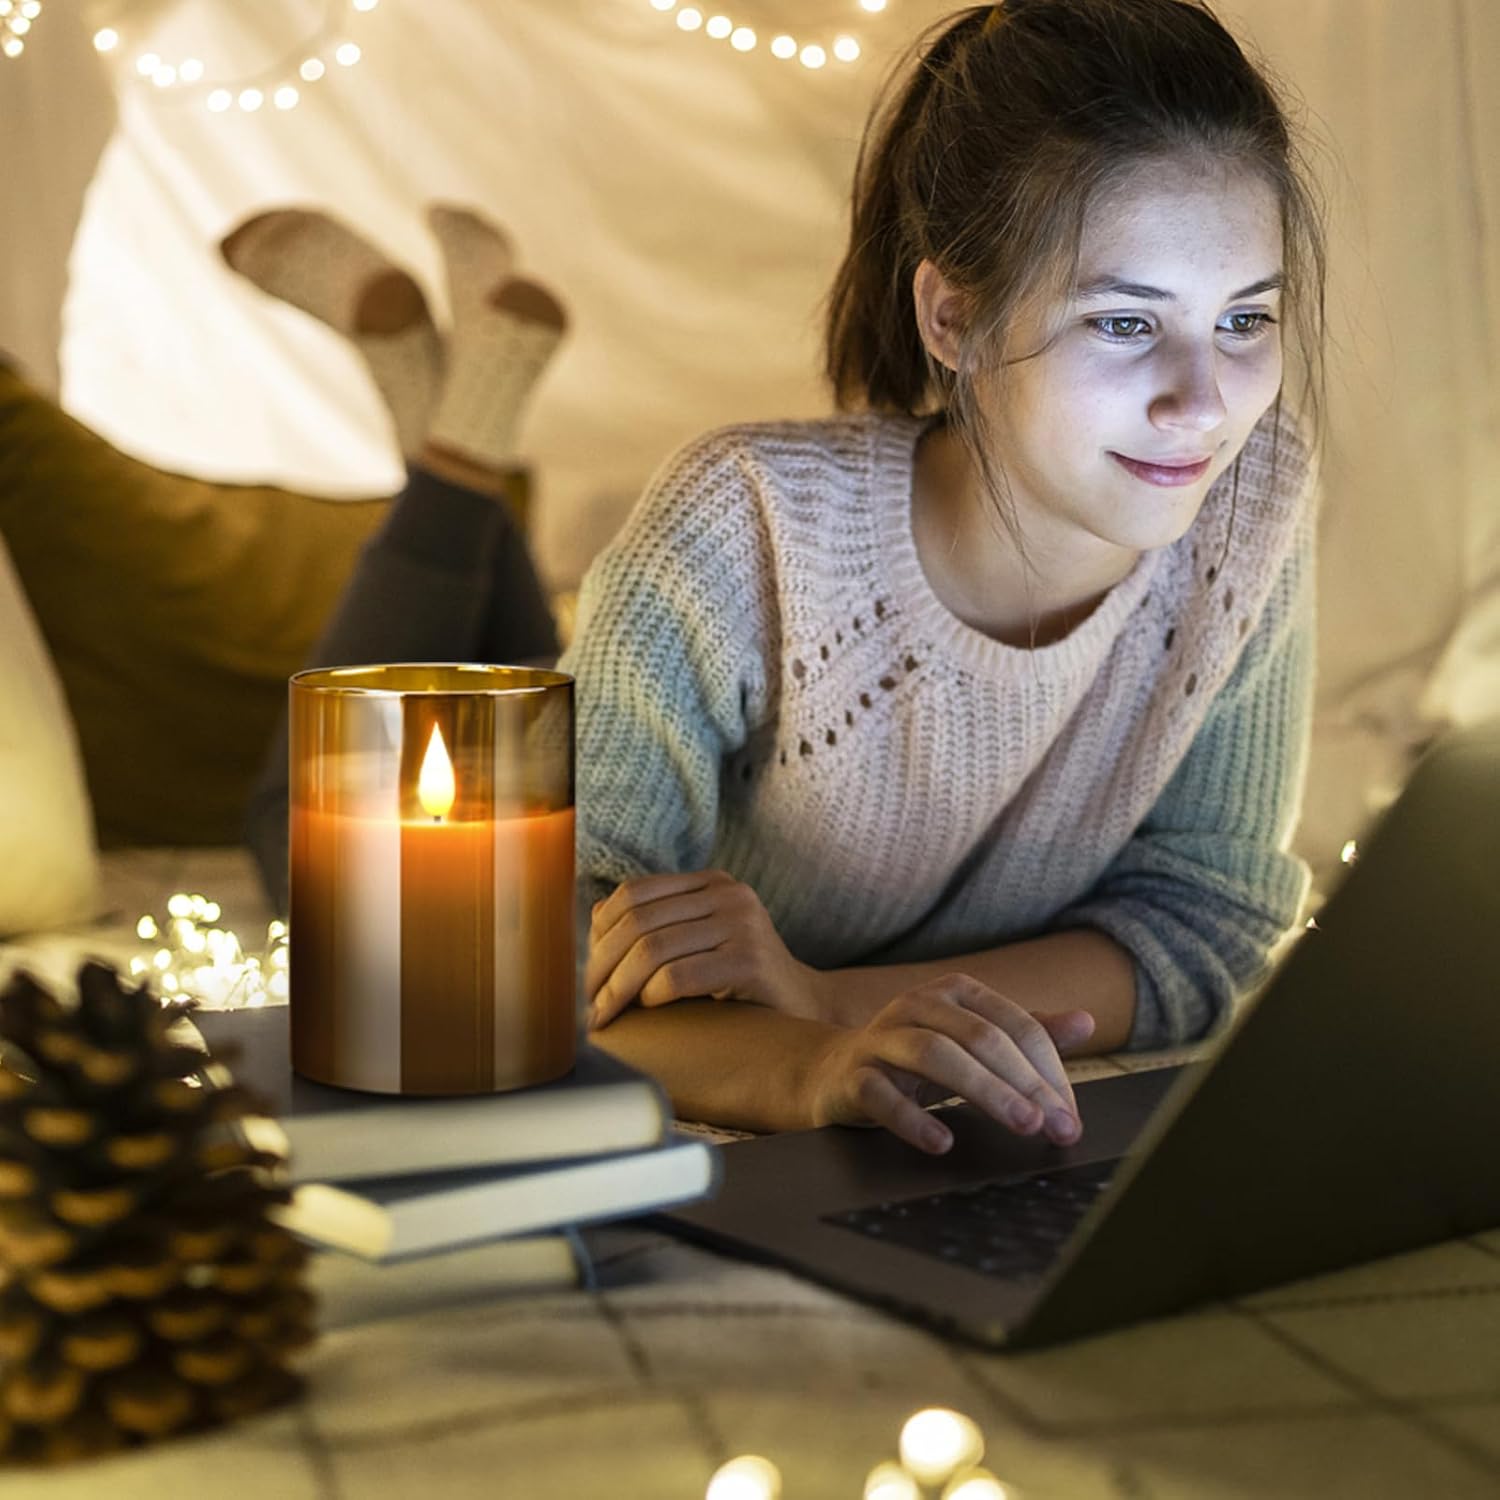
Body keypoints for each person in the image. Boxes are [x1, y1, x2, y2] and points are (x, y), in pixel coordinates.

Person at [562, 0, 1327, 1155]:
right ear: (954, 316)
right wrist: (810, 1066)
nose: (1205, 403)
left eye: (1245, 319)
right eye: (1126, 323)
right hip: (481, 763)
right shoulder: (745, 522)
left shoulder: (1255, 497)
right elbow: (540, 948)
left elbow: (1203, 921)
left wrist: (831, 1005)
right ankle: (456, 437)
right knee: (350, 821)